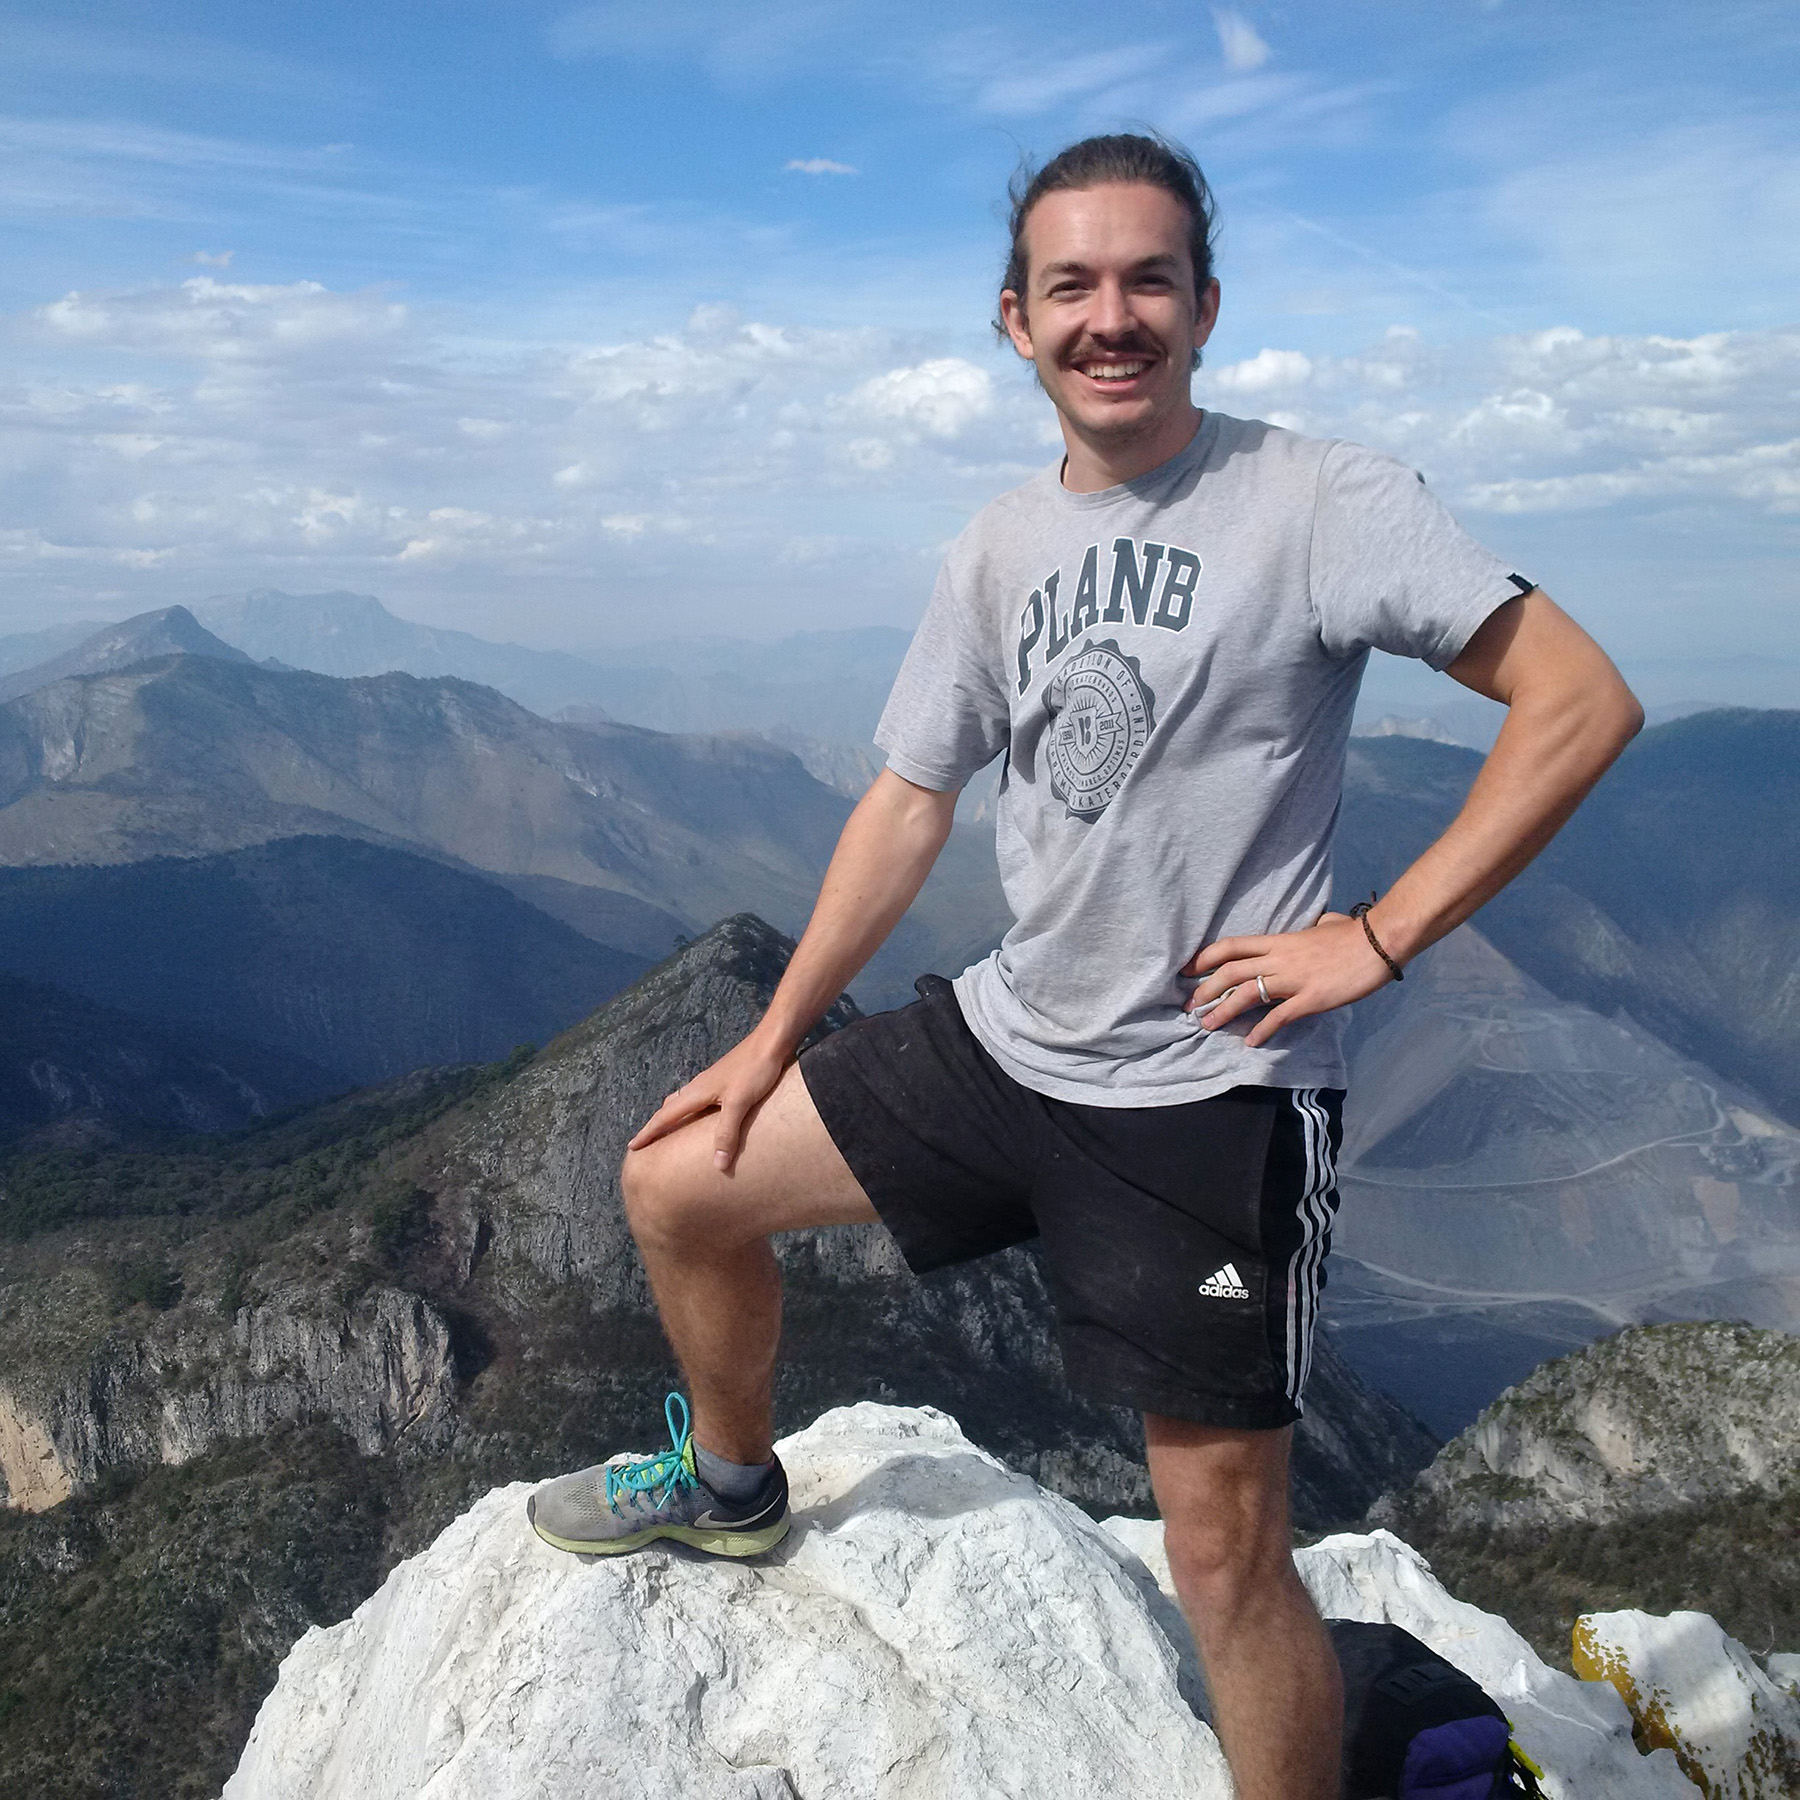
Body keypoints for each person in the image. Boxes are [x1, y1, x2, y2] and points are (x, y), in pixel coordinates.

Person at [527, 133, 1643, 1799]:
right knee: (679, 1181)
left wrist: (1379, 936)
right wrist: (768, 1042)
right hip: (1007, 1044)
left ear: (1203, 304)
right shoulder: (994, 551)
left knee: (1224, 1559)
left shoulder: (1323, 499)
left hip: (1212, 1099)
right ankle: (734, 1487)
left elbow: (1581, 701)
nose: (1110, 315)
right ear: (1014, 320)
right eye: (1073, 286)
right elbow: (908, 806)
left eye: (1146, 279)